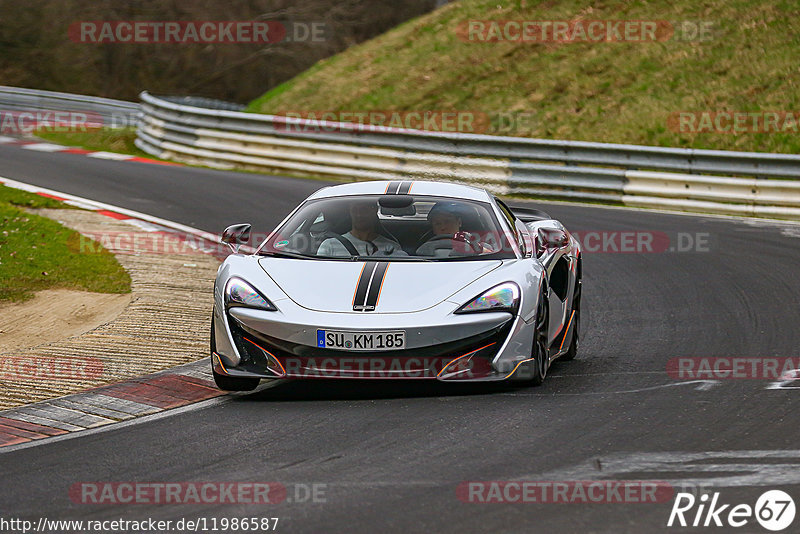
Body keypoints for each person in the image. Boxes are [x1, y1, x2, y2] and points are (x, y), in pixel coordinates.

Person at [317, 199, 407, 257]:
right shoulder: (330, 245)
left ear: (374, 211)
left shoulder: (392, 247)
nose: (359, 215)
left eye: (364, 210)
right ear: (350, 212)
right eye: (355, 210)